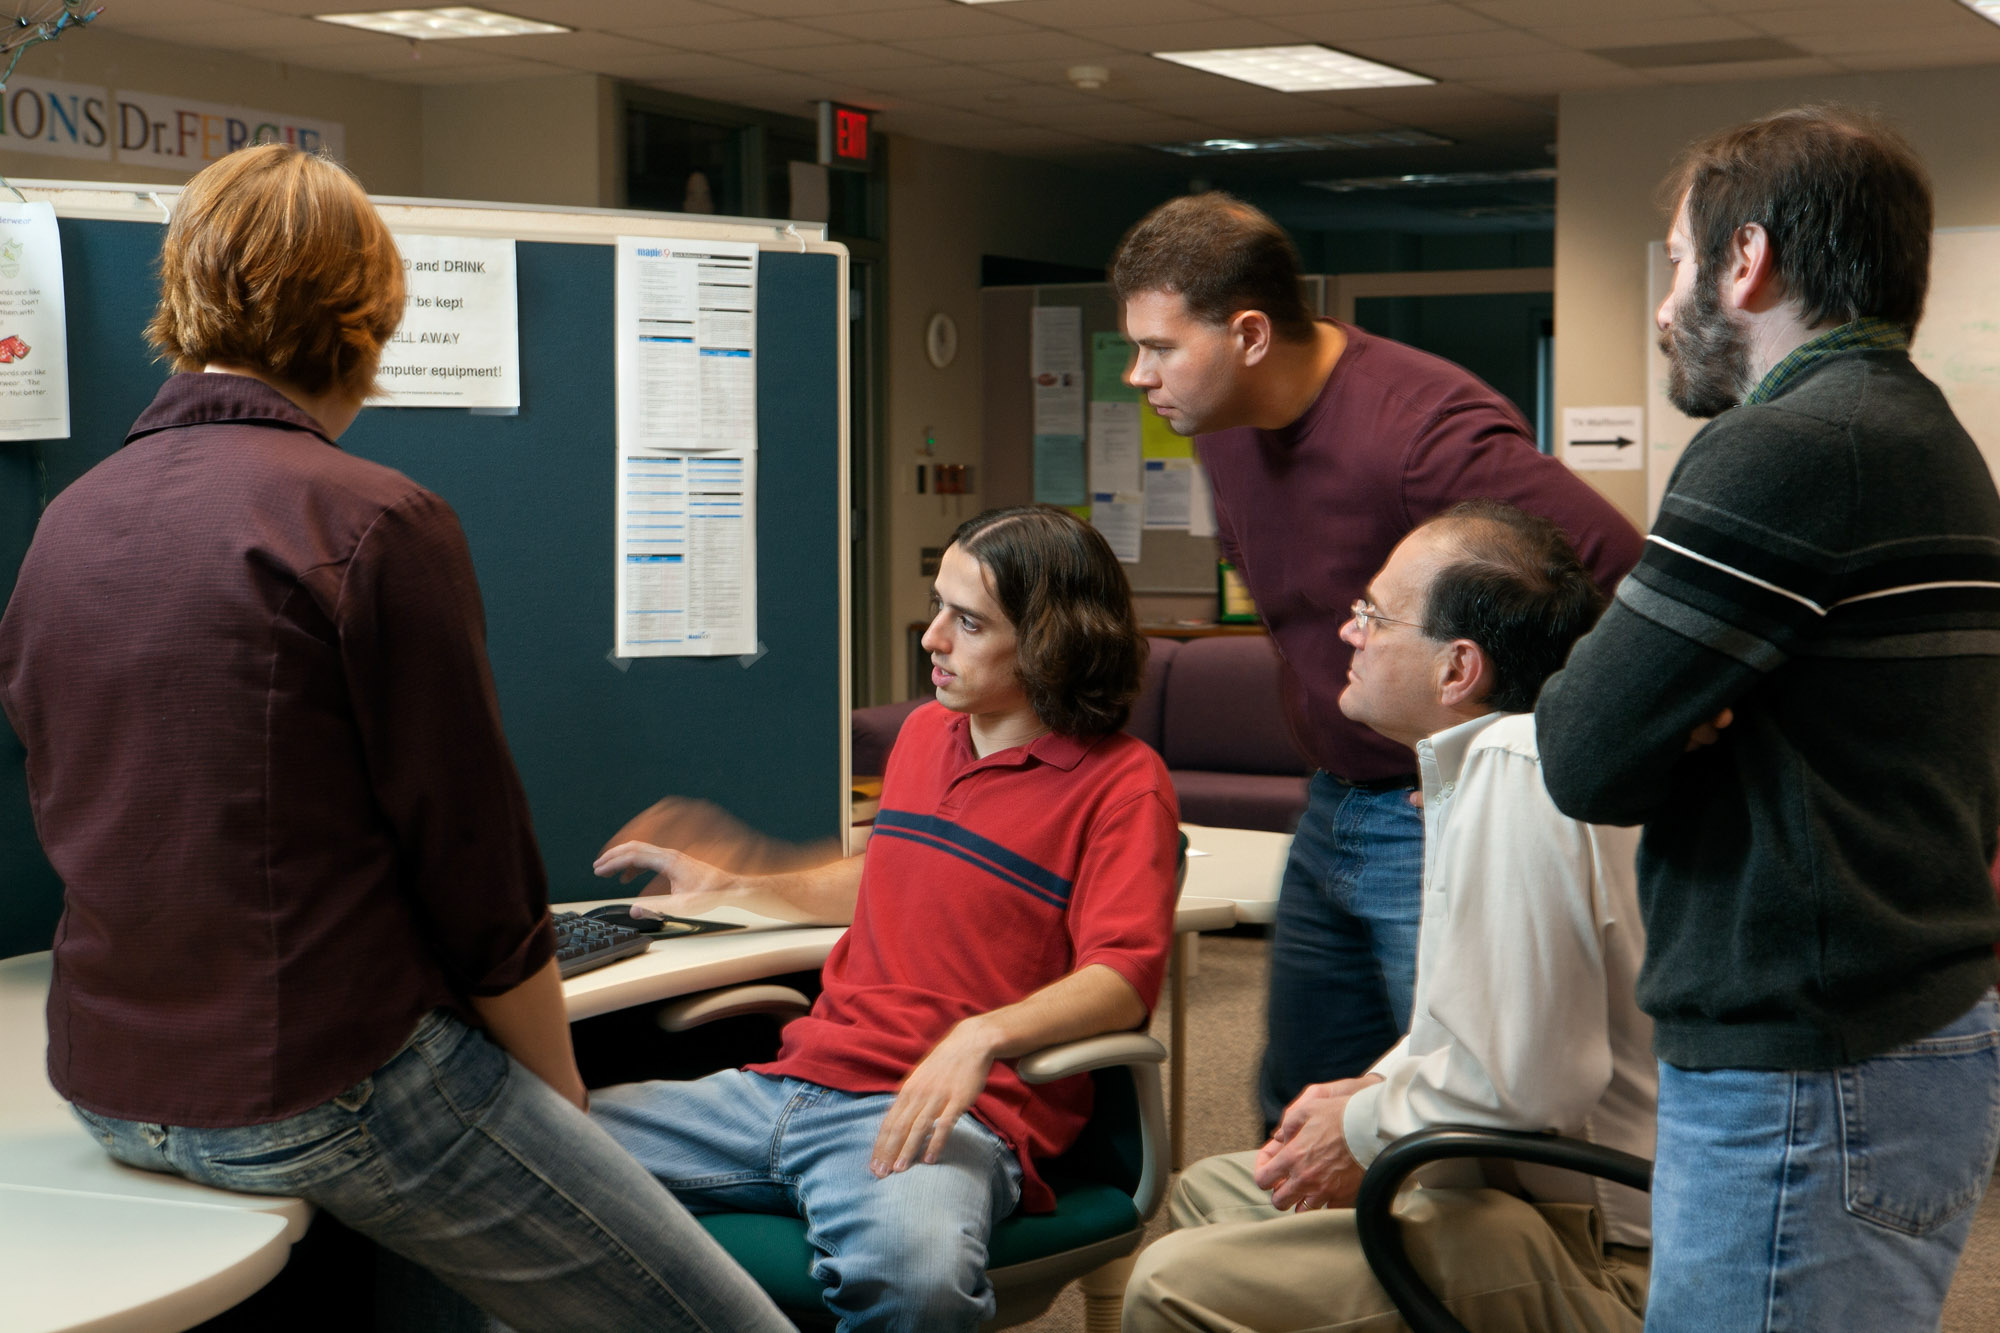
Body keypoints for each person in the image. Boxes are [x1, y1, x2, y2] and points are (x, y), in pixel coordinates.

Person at [0, 145, 788, 1333]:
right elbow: (473, 868)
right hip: (322, 1088)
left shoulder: (66, 522)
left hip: (112, 1087)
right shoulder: (369, 519)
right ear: (369, 315)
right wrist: (556, 1094)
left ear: (185, 298)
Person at [1536, 106, 2000, 1331]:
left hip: (1810, 1068)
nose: (1660, 302)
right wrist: (1689, 717)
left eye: (1680, 263)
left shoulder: (1782, 450)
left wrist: (1681, 722)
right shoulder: (1923, 434)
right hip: (1900, 1033)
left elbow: (1580, 748)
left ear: (1746, 260)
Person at [1109, 194, 1644, 1128]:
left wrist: (1519, 760)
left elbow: (1619, 579)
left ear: (1247, 333)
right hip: (1335, 804)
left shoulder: (1422, 430)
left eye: (1158, 348)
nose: (1135, 374)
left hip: (1438, 816)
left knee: (1459, 1118)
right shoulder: (1224, 424)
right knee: (1301, 1102)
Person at [589, 504, 1181, 1333]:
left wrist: (979, 1036)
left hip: (941, 1115)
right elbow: (882, 877)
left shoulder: (1123, 783)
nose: (932, 637)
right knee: (513, 1151)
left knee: (916, 1281)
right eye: (938, 606)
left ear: (1054, 640)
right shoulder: (923, 736)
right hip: (788, 1086)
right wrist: (736, 877)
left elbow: (1122, 978)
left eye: (967, 621)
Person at [1124, 501, 1655, 1333]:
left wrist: (1365, 1124)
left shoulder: (1519, 773)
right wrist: (1377, 1084)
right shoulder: (1487, 765)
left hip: (1591, 1247)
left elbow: (1529, 1083)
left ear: (1458, 669)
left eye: (1374, 615)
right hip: (1502, 1180)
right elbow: (1482, 1015)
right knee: (1212, 1190)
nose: (1349, 632)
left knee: (1168, 1284)